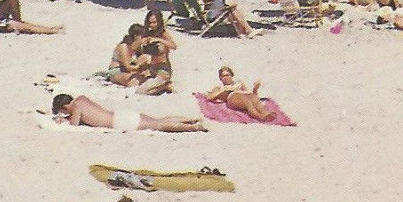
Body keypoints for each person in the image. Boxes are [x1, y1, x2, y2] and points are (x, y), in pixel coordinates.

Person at [51, 93, 207, 133]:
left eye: (63, 112)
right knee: (158, 120)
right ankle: (190, 119)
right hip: (121, 114)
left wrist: (62, 120)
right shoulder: (82, 99)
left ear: (64, 107)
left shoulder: (76, 106)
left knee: (159, 125)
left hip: (120, 122)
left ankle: (193, 127)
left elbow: (74, 124)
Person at [204, 66, 276, 121]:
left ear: (232, 76)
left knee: (252, 97)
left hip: (244, 95)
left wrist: (255, 89)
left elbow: (252, 95)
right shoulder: (219, 87)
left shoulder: (239, 83)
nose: (226, 77)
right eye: (223, 76)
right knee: (245, 100)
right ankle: (261, 117)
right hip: (232, 97)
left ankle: (266, 113)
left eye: (228, 75)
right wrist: (225, 89)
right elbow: (209, 97)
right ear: (220, 78)